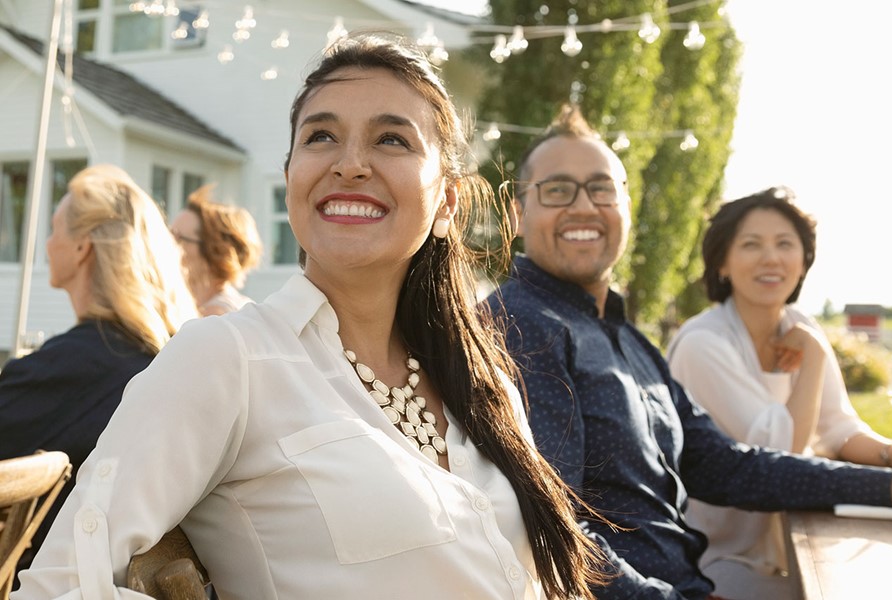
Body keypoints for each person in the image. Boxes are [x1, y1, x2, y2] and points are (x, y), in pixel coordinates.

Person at [14, 34, 606, 599]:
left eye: (392, 140)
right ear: (293, 175)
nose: (349, 164)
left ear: (447, 203)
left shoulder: (486, 383)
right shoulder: (227, 359)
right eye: (321, 137)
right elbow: (62, 585)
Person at [486, 104, 892, 600]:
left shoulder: (630, 341)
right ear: (516, 215)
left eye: (601, 189)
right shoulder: (520, 326)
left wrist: (889, 487)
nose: (583, 207)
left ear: (625, 208)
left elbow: (726, 466)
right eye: (557, 190)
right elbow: (552, 525)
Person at [666, 186, 892, 599]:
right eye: (752, 245)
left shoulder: (798, 323)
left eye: (785, 244)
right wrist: (810, 357)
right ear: (722, 262)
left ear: (804, 260)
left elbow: (838, 429)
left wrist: (891, 453)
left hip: (799, 539)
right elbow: (781, 460)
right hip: (720, 559)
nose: (771, 258)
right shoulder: (703, 343)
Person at [0, 164, 197, 578]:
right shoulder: (169, 358)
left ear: (80, 247)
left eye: (54, 228)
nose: (48, 243)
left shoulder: (65, 370)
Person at [169, 184, 262, 315]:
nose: (167, 243)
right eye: (169, 234)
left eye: (178, 238)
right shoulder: (190, 305)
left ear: (216, 251)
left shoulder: (218, 315)